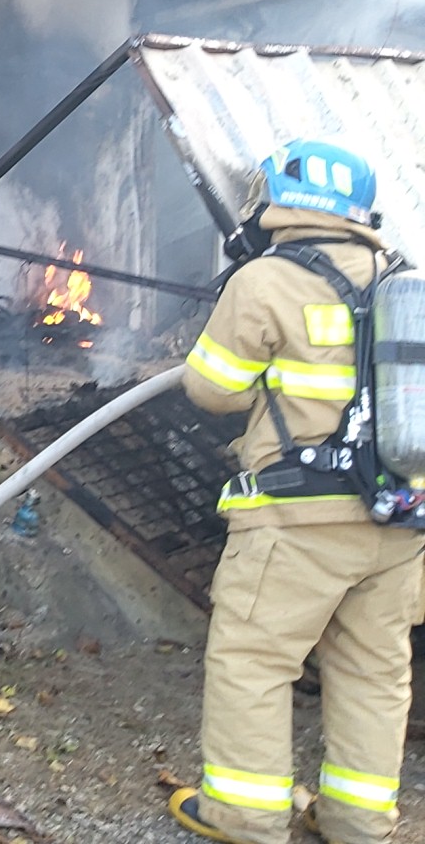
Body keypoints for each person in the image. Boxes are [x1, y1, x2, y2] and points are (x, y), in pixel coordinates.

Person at [171, 138, 424, 844]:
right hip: (398, 522)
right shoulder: (403, 279)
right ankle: (356, 822)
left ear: (281, 201)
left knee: (254, 659)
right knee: (375, 670)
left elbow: (210, 389)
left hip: (296, 521)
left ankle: (245, 816)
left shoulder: (266, 280)